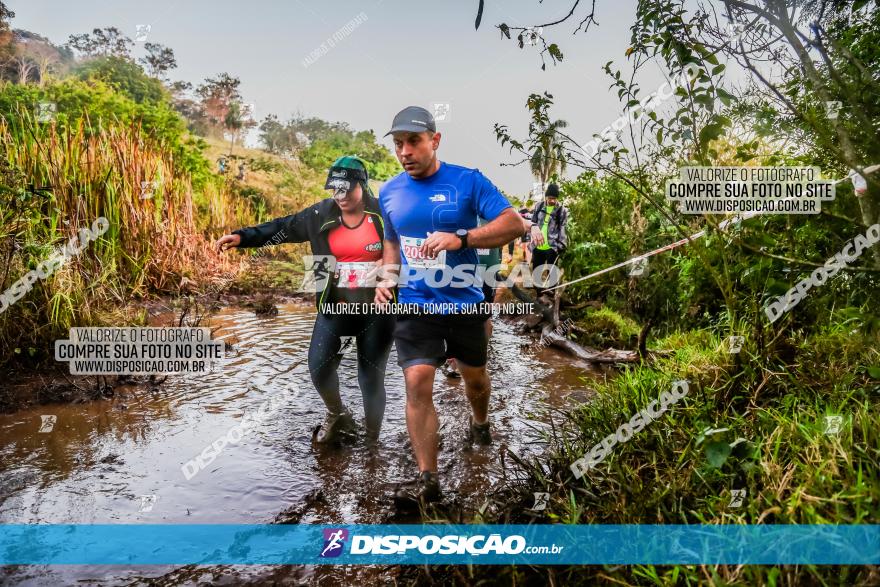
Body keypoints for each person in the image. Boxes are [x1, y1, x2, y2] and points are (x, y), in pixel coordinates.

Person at [374, 106, 523, 509]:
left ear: (434, 141)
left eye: (414, 142)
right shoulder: (388, 192)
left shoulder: (468, 181)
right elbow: (392, 239)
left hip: (465, 304)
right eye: (398, 143)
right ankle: (430, 479)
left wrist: (462, 238)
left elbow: (514, 224)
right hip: (415, 306)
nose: (405, 151)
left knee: (474, 380)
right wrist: (387, 277)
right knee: (417, 381)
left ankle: (480, 422)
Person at [215, 156, 394, 443]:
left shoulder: (384, 214)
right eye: (335, 190)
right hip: (335, 305)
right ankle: (338, 414)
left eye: (347, 189)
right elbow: (283, 227)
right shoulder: (320, 214)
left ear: (363, 184)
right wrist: (243, 237)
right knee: (319, 366)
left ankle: (373, 442)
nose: (341, 196)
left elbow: (411, 242)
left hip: (377, 310)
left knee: (370, 378)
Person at [529, 184, 568, 297]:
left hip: (552, 246)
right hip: (538, 245)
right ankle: (539, 295)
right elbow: (532, 223)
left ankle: (551, 297)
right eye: (550, 198)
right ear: (546, 197)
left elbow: (562, 228)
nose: (552, 200)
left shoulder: (561, 210)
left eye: (554, 198)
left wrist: (561, 245)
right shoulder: (538, 206)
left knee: (552, 273)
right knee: (536, 272)